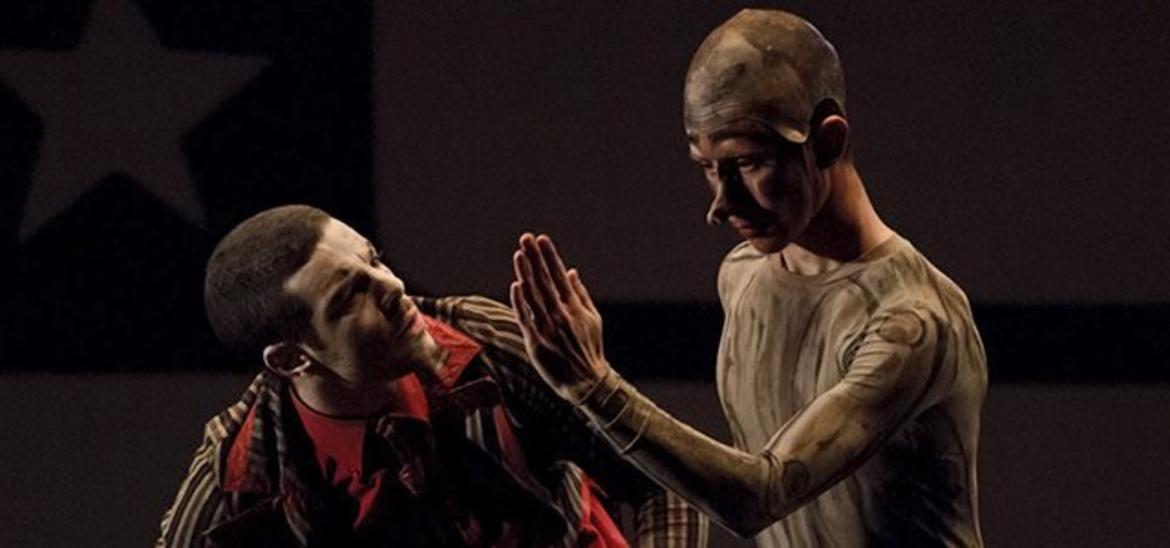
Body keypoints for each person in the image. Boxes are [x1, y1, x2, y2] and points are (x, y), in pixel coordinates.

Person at [509, 9, 987, 547]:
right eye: (708, 168)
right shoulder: (742, 278)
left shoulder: (912, 320)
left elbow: (762, 494)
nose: (721, 204)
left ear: (827, 142)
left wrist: (595, 386)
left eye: (749, 163)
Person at [155, 205, 708, 547]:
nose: (393, 286)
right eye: (351, 294)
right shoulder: (243, 471)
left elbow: (663, 481)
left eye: (373, 259)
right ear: (290, 360)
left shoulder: (487, 344)